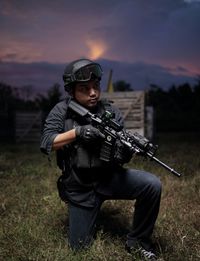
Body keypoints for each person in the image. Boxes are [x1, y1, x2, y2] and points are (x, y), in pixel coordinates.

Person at [40, 58, 162, 260]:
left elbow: (119, 156)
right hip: (80, 187)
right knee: (79, 249)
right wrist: (77, 132)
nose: (93, 93)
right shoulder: (61, 110)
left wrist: (124, 152)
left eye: (96, 86)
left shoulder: (110, 111)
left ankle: (138, 242)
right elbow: (46, 142)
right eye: (84, 88)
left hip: (109, 178)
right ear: (71, 90)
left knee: (152, 185)